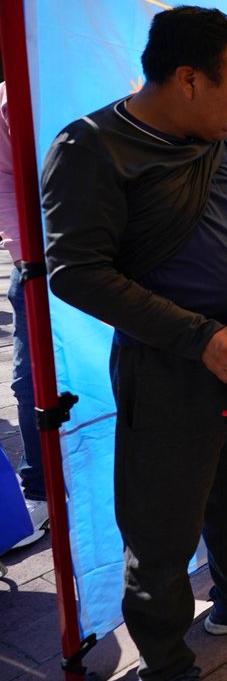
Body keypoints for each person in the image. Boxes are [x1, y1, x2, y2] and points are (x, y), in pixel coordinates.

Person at [41, 6, 227, 681]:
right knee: (161, 529)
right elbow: (76, 273)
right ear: (190, 78)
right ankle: (166, 663)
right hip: (167, 372)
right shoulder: (92, 147)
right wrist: (199, 339)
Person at [0, 75, 48, 550]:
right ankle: (39, 489)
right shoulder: (10, 93)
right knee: (27, 381)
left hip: (108, 257)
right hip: (34, 264)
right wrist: (20, 251)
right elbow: (6, 176)